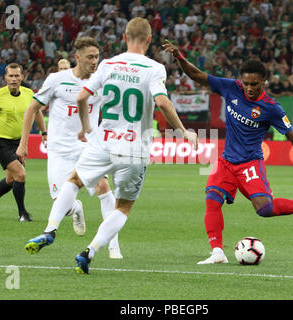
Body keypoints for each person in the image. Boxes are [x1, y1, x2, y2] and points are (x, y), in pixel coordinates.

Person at [23, 17, 198, 274]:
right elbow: (162, 102)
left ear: (125, 37)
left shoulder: (108, 64)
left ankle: (50, 229)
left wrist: (86, 127)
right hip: (135, 148)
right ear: (149, 40)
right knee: (123, 206)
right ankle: (89, 251)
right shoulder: (155, 68)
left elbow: (82, 96)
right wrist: (183, 131)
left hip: (103, 142)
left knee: (74, 181)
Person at [163, 40, 293, 265]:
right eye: (246, 83)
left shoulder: (271, 108)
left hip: (250, 164)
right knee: (212, 199)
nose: (249, 88)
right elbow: (197, 75)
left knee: (265, 210)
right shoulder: (231, 87)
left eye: (254, 83)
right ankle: (217, 253)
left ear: (263, 81)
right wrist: (179, 57)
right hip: (227, 161)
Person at [17, 37, 123, 259]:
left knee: (104, 186)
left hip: (88, 147)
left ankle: (113, 245)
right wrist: (24, 143)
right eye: (90, 57)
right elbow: (32, 108)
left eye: (97, 57)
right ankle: (75, 209)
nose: (95, 61)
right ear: (78, 58)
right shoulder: (57, 80)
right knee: (61, 205)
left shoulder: (101, 82)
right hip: (59, 150)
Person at [0, 63, 47, 222]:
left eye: (17, 76)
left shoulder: (29, 93)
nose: (14, 79)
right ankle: (22, 213)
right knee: (20, 174)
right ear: (5, 78)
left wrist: (44, 132)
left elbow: (36, 113)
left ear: (22, 77)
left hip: (18, 141)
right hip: (0, 142)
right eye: (11, 76)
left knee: (11, 179)